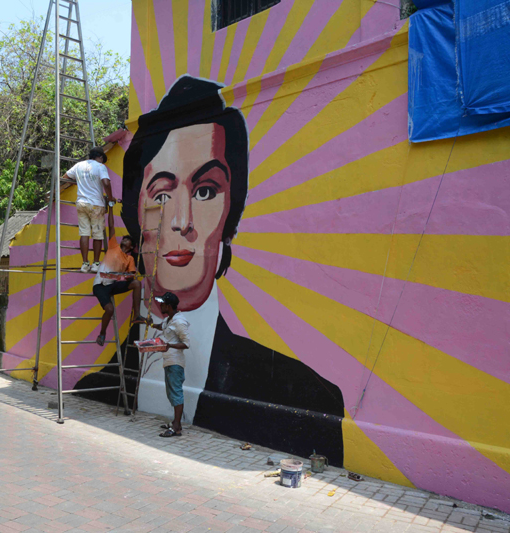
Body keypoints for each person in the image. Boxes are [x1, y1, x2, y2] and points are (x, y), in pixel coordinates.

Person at [104, 75, 345, 463]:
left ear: (231, 216)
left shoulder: (310, 399)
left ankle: (175, 424)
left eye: (205, 192)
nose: (182, 222)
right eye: (162, 196)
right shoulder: (98, 381)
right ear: (135, 216)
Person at [92, 205, 145, 346]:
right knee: (109, 309)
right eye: (124, 239)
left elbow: (131, 275)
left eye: (127, 240)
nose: (124, 240)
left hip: (113, 283)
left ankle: (136, 315)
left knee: (137, 283)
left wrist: (124, 276)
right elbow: (111, 225)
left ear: (131, 247)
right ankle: (102, 333)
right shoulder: (113, 246)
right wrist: (110, 208)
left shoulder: (129, 259)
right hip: (100, 285)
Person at [64, 147, 116, 273]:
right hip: (96, 205)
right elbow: (106, 183)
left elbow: (65, 177)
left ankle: (85, 264)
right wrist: (110, 198)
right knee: (97, 234)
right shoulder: (100, 166)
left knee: (84, 234)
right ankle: (96, 264)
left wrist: (80, 182)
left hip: (81, 203)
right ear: (100, 157)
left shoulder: (79, 165)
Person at [146, 292, 190, 437]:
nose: (160, 305)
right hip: (169, 361)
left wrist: (169, 345)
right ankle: (176, 423)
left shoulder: (179, 322)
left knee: (176, 393)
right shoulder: (169, 319)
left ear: (169, 306)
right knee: (172, 393)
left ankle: (176, 427)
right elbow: (162, 326)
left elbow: (186, 343)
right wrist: (151, 324)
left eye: (163, 304)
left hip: (175, 363)